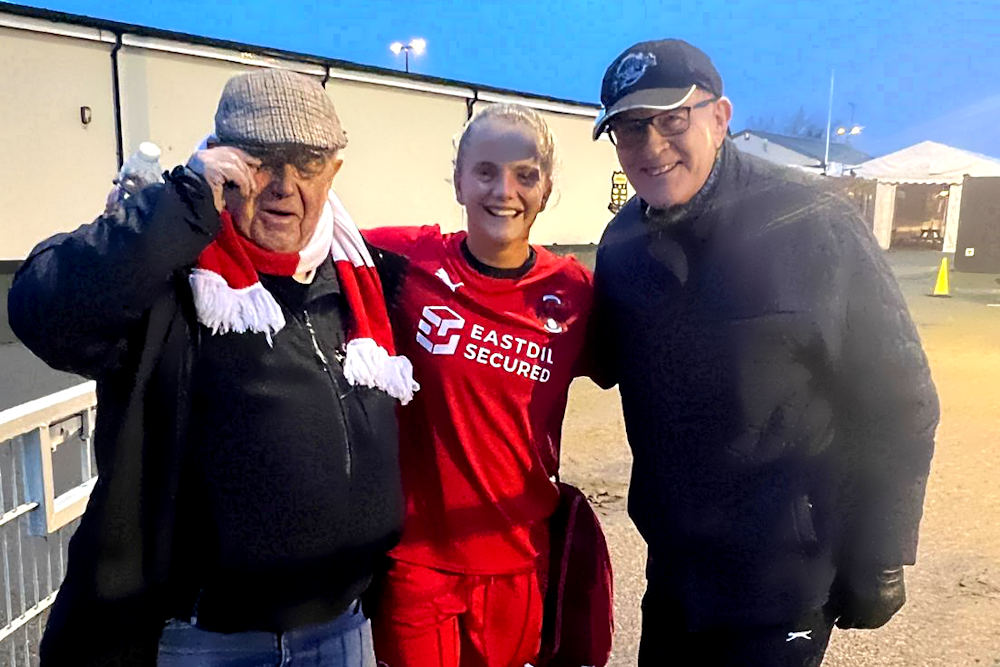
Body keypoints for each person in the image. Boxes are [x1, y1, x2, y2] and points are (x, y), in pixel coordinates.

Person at [8, 69, 417, 666]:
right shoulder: (174, 278)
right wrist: (177, 204)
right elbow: (44, 313)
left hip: (340, 629)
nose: (282, 186)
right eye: (260, 161)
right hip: (202, 641)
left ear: (334, 171)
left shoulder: (364, 279)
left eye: (305, 164)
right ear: (220, 160)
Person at [590, 39, 939, 666]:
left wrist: (883, 549)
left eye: (672, 120)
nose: (651, 146)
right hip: (675, 575)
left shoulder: (815, 222)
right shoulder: (621, 246)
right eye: (629, 128)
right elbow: (586, 354)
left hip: (784, 578)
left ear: (720, 118)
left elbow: (900, 400)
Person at [362, 104, 598, 667]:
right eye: (486, 171)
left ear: (546, 189)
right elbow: (300, 233)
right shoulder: (406, 259)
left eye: (525, 174)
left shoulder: (576, 291)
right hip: (419, 560)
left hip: (519, 557)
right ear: (459, 181)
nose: (504, 191)